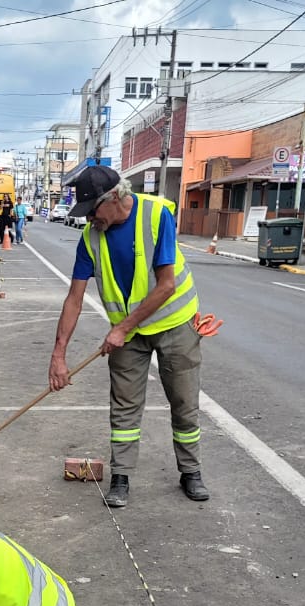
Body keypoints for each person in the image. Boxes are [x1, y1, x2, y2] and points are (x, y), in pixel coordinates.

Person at [47, 166, 220, 508]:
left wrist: (122, 328)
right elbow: (75, 298)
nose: (88, 220)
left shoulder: (156, 216)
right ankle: (121, 477)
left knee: (184, 404)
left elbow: (166, 285)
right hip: (128, 335)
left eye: (92, 212)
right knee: (124, 407)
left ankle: (191, 472)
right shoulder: (91, 238)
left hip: (174, 325)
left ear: (114, 199)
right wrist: (58, 355)